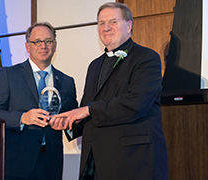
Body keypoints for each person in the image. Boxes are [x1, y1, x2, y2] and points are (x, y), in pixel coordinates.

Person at [50, 2, 169, 180]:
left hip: (133, 163)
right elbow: (87, 112)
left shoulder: (147, 58)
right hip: (96, 164)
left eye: (113, 21)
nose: (106, 28)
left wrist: (87, 110)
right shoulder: (94, 65)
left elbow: (134, 104)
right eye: (101, 23)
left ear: (129, 26)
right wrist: (66, 121)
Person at [0, 22, 78, 180]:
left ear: (55, 45)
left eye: (48, 41)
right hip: (17, 165)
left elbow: (74, 119)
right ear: (28, 46)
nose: (43, 46)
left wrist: (67, 124)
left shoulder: (67, 82)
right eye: (37, 41)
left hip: (51, 165)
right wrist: (23, 118)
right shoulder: (9, 75)